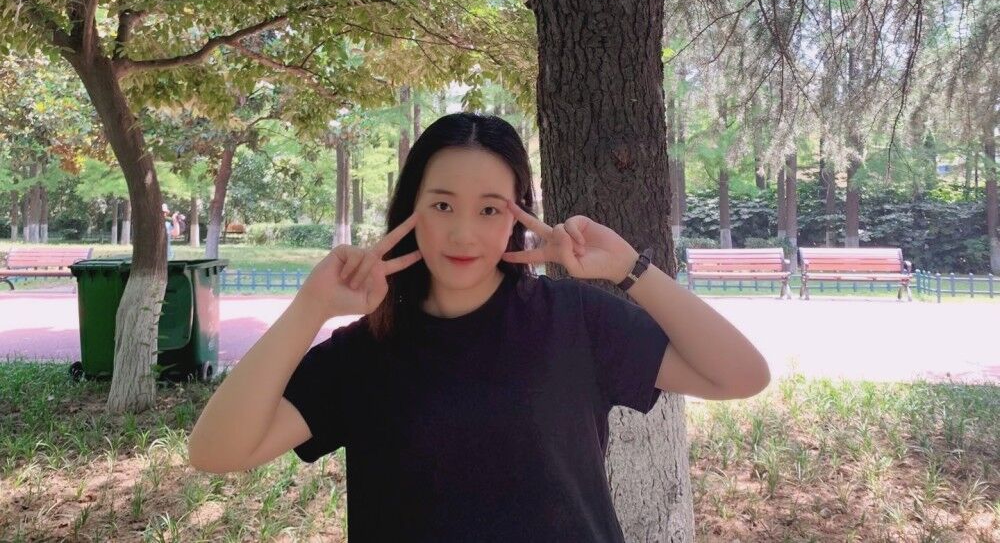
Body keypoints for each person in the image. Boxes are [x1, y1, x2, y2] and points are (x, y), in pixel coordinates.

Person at [187, 113, 770, 542]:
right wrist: (310, 308)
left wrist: (627, 268)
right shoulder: (365, 351)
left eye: (490, 209)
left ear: (517, 216)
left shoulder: (575, 320)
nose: (463, 233)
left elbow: (741, 375)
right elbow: (216, 451)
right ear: (411, 211)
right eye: (442, 205)